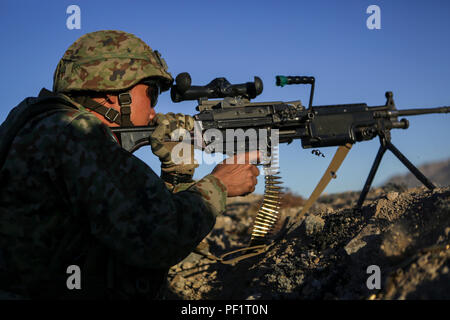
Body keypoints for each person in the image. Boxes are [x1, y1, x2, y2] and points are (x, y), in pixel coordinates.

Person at [0, 30, 259, 299]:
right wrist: (220, 184)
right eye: (151, 94)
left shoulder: (38, 122)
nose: (153, 112)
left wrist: (177, 173)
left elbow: (127, 224)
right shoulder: (77, 133)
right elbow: (158, 240)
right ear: (114, 93)